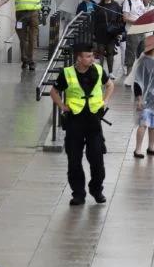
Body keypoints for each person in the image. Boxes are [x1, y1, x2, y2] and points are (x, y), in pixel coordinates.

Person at [49, 42, 114, 205]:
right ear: (79, 58)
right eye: (88, 56)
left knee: (97, 158)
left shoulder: (99, 70)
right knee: (74, 160)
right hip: (74, 122)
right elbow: (54, 91)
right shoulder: (67, 73)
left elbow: (110, 85)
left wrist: (105, 101)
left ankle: (97, 189)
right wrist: (63, 106)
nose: (92, 59)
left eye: (92, 56)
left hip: (93, 122)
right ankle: (78, 193)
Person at [130, 35, 154, 159]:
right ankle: (138, 149)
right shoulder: (144, 62)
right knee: (143, 123)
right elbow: (137, 81)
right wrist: (139, 98)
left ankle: (151, 146)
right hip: (145, 98)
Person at [10, 0, 48, 69]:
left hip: (33, 14)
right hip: (20, 15)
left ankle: (30, 61)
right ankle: (24, 59)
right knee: (23, 38)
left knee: (32, 38)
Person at [91, 0, 123, 75]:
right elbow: (95, 20)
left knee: (110, 52)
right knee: (100, 52)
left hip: (112, 33)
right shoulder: (99, 6)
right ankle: (100, 72)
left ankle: (111, 72)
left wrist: (119, 32)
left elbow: (120, 19)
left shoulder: (116, 5)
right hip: (100, 32)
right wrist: (94, 33)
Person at [122, 0, 149, 79]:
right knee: (131, 54)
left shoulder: (140, 0)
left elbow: (141, 12)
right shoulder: (128, 1)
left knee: (142, 53)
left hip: (141, 30)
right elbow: (125, 18)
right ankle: (129, 76)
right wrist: (137, 21)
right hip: (132, 31)